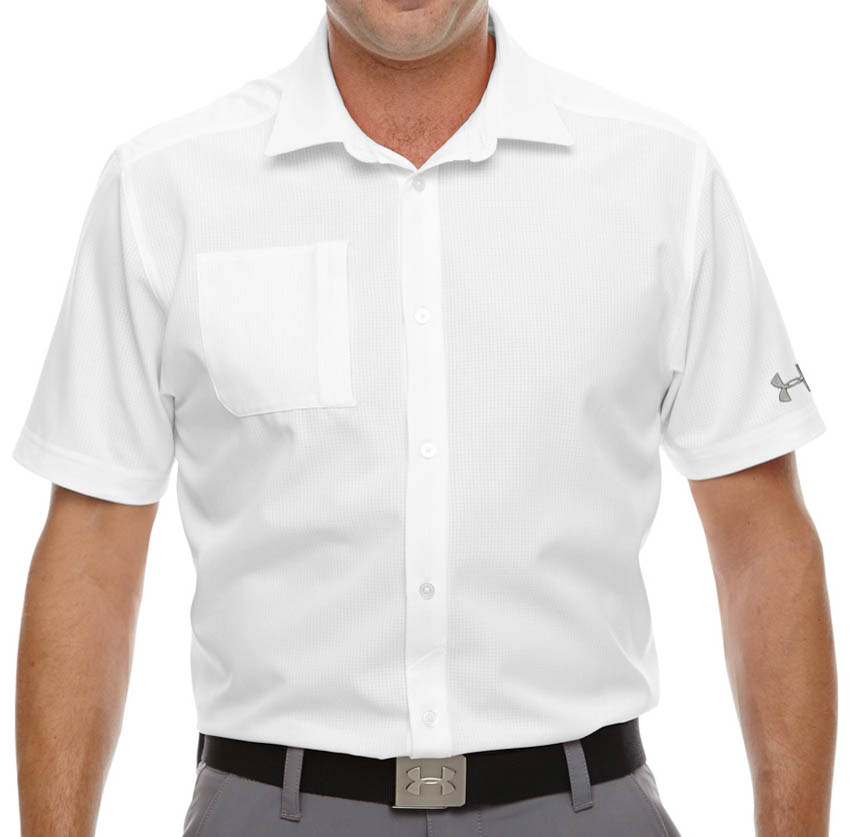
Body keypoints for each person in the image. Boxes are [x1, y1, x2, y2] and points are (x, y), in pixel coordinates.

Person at [13, 2, 836, 835]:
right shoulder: (166, 186)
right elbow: (91, 549)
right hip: (270, 808)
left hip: (586, 805)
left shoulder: (661, 177)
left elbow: (763, 538)